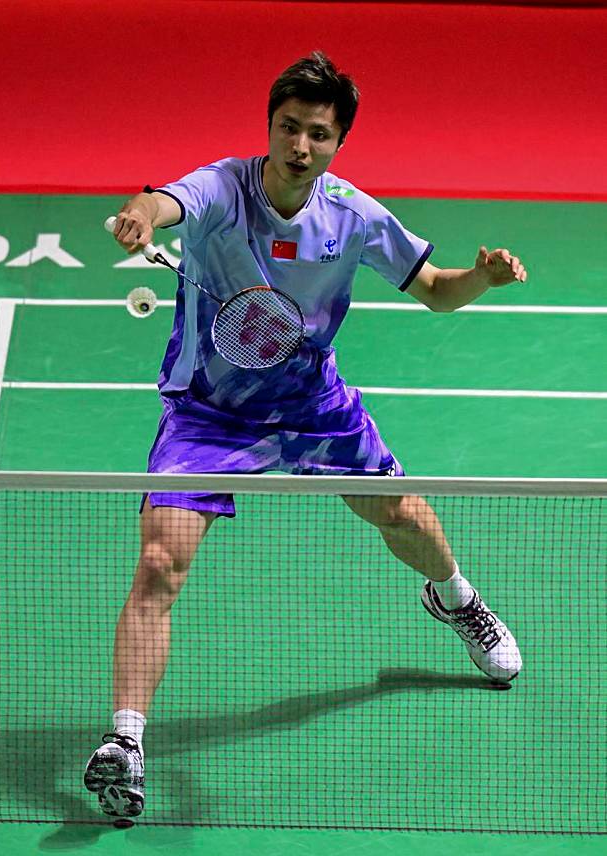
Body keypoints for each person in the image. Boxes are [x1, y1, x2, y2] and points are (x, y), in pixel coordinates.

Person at [84, 52, 527, 820]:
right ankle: (126, 742)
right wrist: (138, 215)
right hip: (210, 413)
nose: (299, 146)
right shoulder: (223, 188)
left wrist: (481, 277)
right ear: (269, 126)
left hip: (313, 406)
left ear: (336, 142)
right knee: (160, 559)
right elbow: (163, 203)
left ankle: (455, 599)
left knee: (404, 517)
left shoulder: (352, 215)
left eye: (316, 134)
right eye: (288, 127)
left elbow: (434, 292)